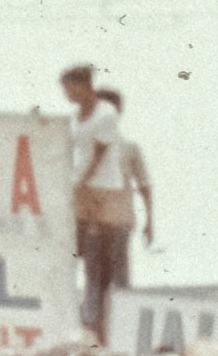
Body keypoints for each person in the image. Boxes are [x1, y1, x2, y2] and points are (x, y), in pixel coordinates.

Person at [60, 66, 155, 339]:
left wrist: (150, 222)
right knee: (94, 278)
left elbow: (145, 185)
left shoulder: (129, 148)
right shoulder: (84, 148)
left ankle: (120, 331)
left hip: (119, 220)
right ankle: (93, 330)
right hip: (94, 218)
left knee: (118, 279)